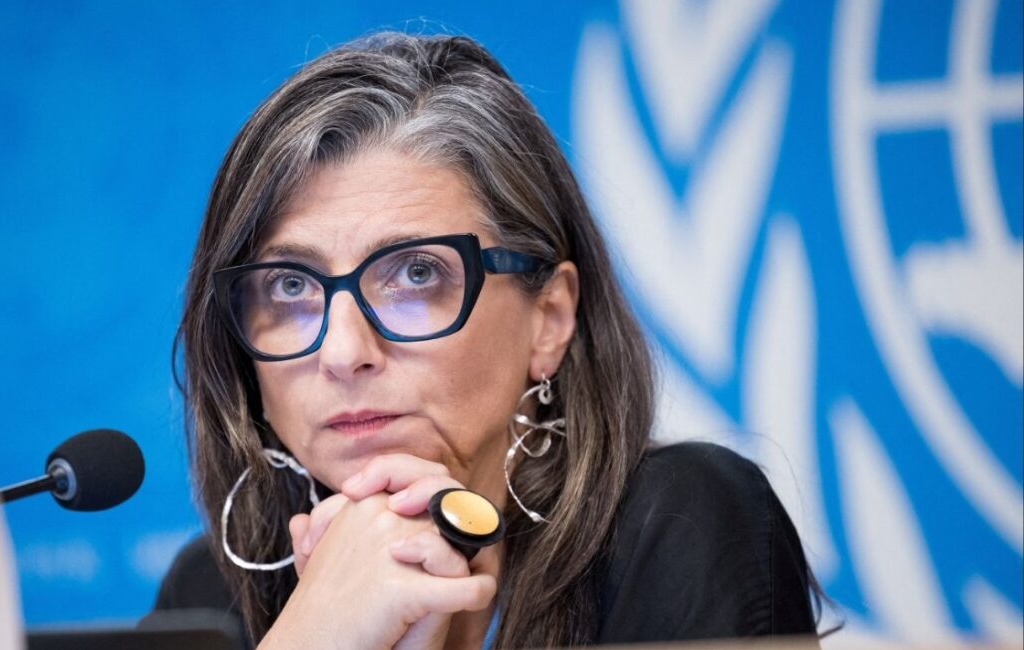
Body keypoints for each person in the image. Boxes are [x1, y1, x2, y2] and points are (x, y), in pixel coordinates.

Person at [153, 32, 822, 649]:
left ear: (549, 319)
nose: (341, 352)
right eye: (290, 288)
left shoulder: (676, 525)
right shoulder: (209, 592)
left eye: (417, 275)